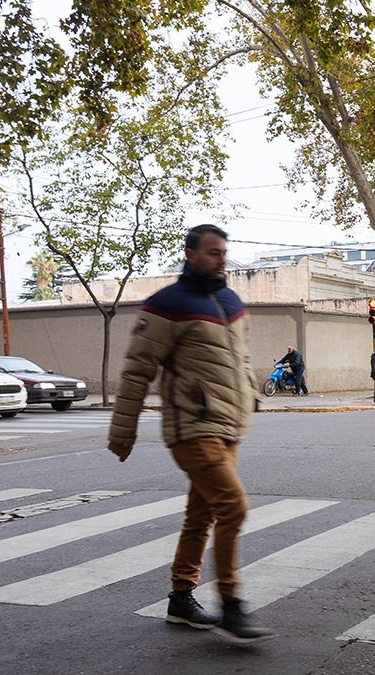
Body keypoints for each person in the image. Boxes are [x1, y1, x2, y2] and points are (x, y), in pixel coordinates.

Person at [107, 224, 276, 644]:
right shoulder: (167, 304)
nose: (222, 260)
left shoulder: (231, 301)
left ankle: (181, 598)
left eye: (224, 252)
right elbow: (136, 371)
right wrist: (123, 429)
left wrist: (251, 394)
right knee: (233, 507)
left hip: (228, 425)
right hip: (191, 427)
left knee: (202, 514)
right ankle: (232, 605)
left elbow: (241, 358)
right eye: (213, 252)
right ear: (191, 253)